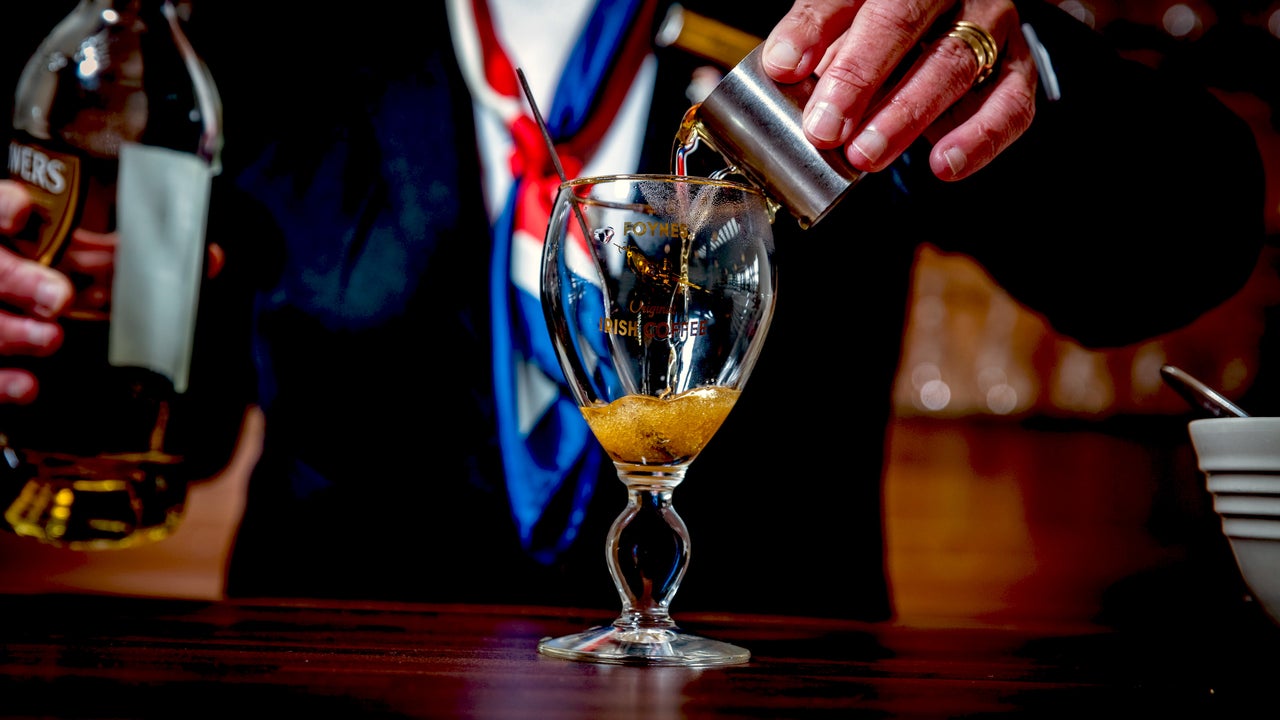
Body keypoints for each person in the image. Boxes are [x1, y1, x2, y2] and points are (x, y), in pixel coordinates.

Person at [0, 0, 1265, 622]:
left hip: (774, 702)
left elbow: (1175, 253)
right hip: (321, 690)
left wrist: (1020, 60)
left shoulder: (836, 14)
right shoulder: (275, 27)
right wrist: (49, 328)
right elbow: (185, 410)